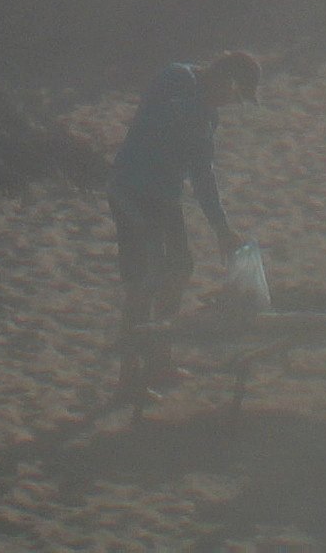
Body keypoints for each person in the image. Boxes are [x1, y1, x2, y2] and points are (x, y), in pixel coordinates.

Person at [101, 46, 262, 403]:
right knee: (144, 279)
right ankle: (129, 375)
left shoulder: (208, 118)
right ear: (225, 80)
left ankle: (160, 358)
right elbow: (162, 117)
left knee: (180, 269)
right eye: (235, 95)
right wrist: (202, 107)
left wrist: (221, 228)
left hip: (165, 196)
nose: (230, 104)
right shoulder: (177, 77)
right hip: (132, 189)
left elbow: (203, 176)